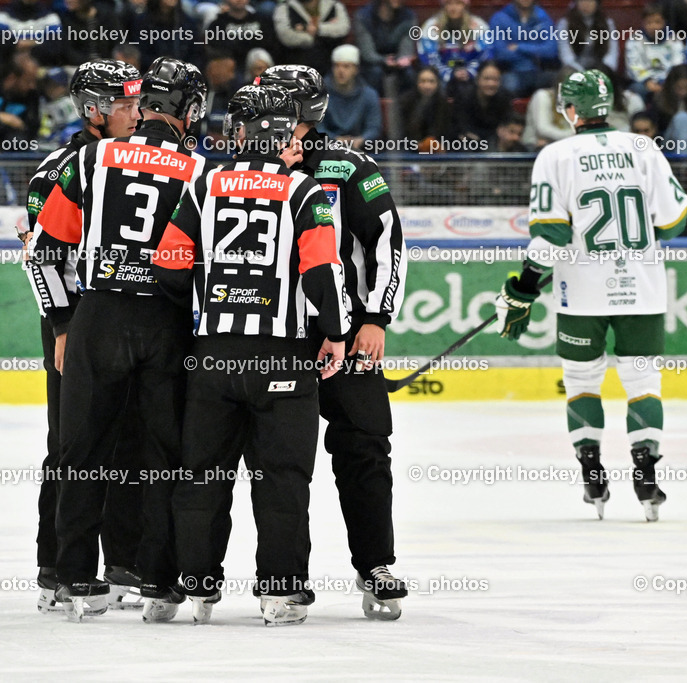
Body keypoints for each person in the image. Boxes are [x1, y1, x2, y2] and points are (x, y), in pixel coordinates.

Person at [151, 82, 351, 626]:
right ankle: (280, 593)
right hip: (283, 357)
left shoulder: (206, 184)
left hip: (213, 357)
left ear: (241, 133)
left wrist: (207, 304)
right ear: (283, 135)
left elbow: (168, 267)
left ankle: (196, 587)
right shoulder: (307, 192)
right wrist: (335, 332)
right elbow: (321, 272)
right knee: (283, 478)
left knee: (203, 475)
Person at [34, 57, 209, 623]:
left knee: (81, 450)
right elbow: (206, 262)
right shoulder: (200, 170)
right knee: (162, 454)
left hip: (99, 313)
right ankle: (159, 582)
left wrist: (64, 322)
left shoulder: (89, 157)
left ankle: (76, 580)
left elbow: (45, 246)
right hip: (166, 320)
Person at [495, 69, 687, 523]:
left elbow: (551, 237)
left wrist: (524, 287)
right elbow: (675, 220)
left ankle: (593, 475)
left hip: (581, 294)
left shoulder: (555, 155)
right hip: (643, 288)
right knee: (643, 383)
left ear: (569, 109)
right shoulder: (643, 148)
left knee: (583, 383)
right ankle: (645, 474)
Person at [257, 64, 409, 620]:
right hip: (272, 339)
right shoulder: (244, 168)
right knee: (273, 462)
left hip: (344, 336)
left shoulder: (349, 167)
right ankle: (266, 577)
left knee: (365, 447)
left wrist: (375, 317)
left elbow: (388, 242)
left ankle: (376, 565)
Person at [22, 59, 146, 615]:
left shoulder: (141, 161)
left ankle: (123, 560)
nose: (135, 113)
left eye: (136, 104)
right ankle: (57, 567)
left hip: (128, 319)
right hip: (75, 322)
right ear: (93, 109)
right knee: (71, 445)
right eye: (123, 105)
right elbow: (41, 255)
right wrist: (64, 325)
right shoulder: (57, 170)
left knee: (129, 441)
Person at [417, 0, 490, 98]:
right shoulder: (431, 26)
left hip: (470, 74)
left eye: (458, 3)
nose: (453, 7)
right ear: (444, 6)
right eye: (449, 3)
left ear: (465, 5)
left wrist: (469, 72)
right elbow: (429, 58)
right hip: (441, 76)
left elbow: (485, 55)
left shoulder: (478, 25)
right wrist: (449, 74)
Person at [489, 0, 560, 97]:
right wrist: (536, 51)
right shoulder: (500, 18)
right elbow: (501, 54)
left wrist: (519, 47)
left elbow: (551, 50)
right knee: (509, 84)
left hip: (538, 71)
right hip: (512, 71)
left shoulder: (543, 17)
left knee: (560, 81)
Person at [321, 44, 384, 150]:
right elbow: (317, 127)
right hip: (327, 148)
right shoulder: (320, 94)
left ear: (356, 69)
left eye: (346, 66)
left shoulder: (369, 95)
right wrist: (334, 139)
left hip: (361, 148)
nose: (340, 71)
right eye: (337, 66)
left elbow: (374, 127)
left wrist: (362, 139)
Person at [352, 0, 418, 99]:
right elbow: (367, 53)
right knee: (375, 73)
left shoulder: (408, 17)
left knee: (409, 74)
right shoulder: (363, 16)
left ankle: (406, 110)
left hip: (396, 61)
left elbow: (406, 48)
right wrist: (384, 60)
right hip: (371, 62)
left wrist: (401, 60)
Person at [273, 0, 351, 75]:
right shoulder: (284, 7)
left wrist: (316, 28)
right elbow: (287, 36)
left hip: (330, 67)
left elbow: (343, 28)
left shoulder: (334, 5)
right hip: (297, 67)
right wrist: (312, 38)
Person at [625, 4, 686, 101]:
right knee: (637, 89)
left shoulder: (674, 40)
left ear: (664, 22)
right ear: (643, 23)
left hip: (669, 82)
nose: (653, 26)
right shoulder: (634, 40)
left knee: (679, 88)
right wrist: (647, 81)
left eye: (657, 22)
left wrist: (665, 82)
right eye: (649, 22)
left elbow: (678, 64)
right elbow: (634, 66)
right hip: (644, 82)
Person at [453, 60, 514, 142]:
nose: (491, 84)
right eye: (486, 79)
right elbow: (462, 127)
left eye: (495, 79)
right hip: (468, 143)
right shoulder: (463, 96)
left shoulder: (505, 97)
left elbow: (504, 127)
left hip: (495, 142)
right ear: (478, 79)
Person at [397, 65, 453, 149]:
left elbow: (447, 132)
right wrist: (415, 145)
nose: (427, 86)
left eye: (431, 81)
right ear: (416, 83)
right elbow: (400, 132)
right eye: (423, 81)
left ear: (437, 83)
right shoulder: (405, 102)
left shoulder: (443, 103)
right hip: (408, 148)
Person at [523, 66, 577, 150]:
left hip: (565, 146)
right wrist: (575, 135)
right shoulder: (542, 96)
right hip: (534, 147)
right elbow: (543, 129)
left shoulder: (577, 102)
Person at [556, 0, 619, 73]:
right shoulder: (565, 23)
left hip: (600, 69)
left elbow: (612, 52)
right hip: (574, 68)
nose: (586, 4)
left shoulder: (607, 23)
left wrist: (604, 70)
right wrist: (582, 74)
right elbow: (566, 54)